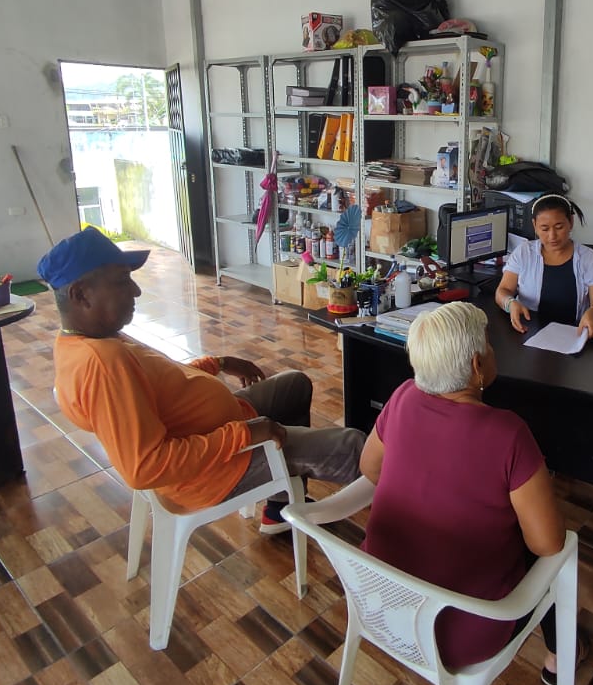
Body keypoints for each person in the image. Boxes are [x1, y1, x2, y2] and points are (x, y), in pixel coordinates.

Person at [40, 227, 363, 532]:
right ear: (81, 295)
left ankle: (280, 508)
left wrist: (217, 364)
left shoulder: (90, 339)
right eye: (122, 281)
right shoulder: (101, 363)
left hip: (217, 431)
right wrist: (244, 434)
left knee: (294, 384)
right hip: (215, 471)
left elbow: (164, 384)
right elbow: (145, 467)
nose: (136, 290)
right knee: (353, 446)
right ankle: (386, 537)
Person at [359, 302, 585, 685]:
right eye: (490, 345)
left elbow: (370, 468)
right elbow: (548, 544)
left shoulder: (402, 396)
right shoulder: (509, 433)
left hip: (380, 605)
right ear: (477, 366)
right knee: (549, 551)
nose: (494, 352)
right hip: (459, 638)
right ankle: (562, 655)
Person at [494, 194, 593, 339]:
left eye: (559, 227)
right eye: (544, 229)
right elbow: (502, 291)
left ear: (571, 222)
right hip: (529, 332)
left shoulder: (588, 258)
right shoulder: (524, 252)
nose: (552, 236)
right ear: (535, 225)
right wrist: (510, 303)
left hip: (574, 334)